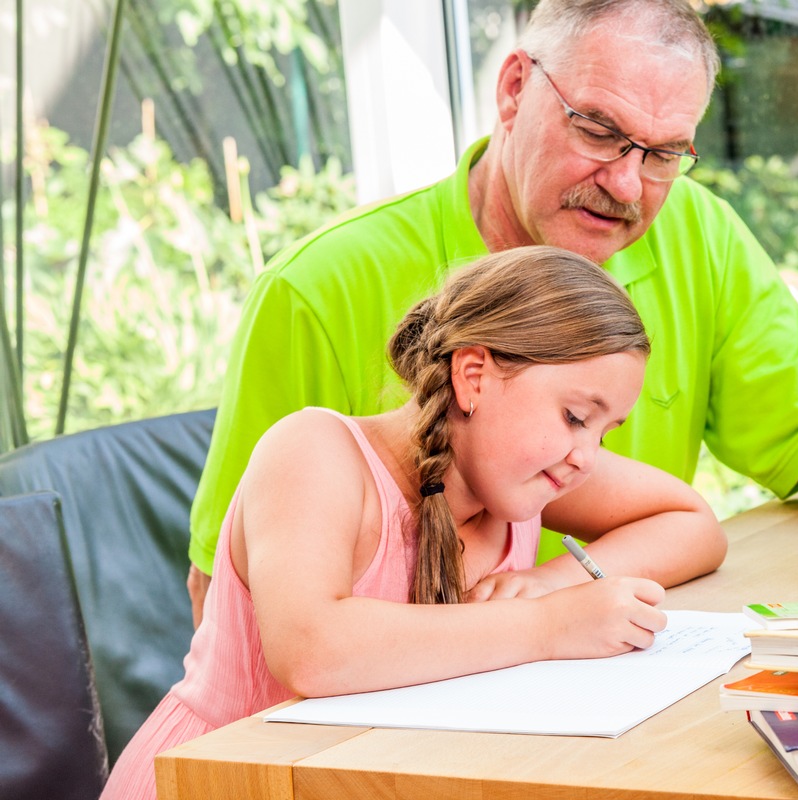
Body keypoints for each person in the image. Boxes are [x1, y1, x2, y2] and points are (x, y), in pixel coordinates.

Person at [187, 0, 798, 625]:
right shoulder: (320, 286)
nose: (628, 186)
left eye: (663, 155)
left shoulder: (702, 235)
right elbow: (222, 597)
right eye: (599, 130)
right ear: (515, 89)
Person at [100, 246, 728, 799]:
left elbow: (692, 522)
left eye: (604, 428)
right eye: (573, 416)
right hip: (223, 784)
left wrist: (550, 581)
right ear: (473, 375)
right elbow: (313, 650)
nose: (585, 457)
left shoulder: (523, 477)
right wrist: (548, 624)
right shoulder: (317, 453)